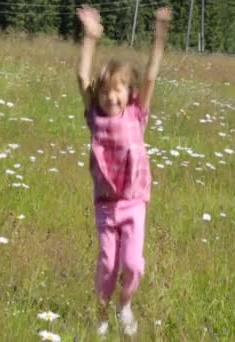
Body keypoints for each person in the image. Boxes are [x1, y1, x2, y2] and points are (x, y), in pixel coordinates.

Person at [76, 4, 172, 337]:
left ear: (128, 93)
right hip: (106, 206)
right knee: (107, 264)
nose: (110, 96)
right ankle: (101, 313)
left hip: (133, 203)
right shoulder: (96, 119)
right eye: (104, 91)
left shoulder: (136, 114)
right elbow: (82, 78)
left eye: (116, 90)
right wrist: (91, 38)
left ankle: (124, 305)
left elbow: (150, 75)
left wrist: (159, 36)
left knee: (132, 265)